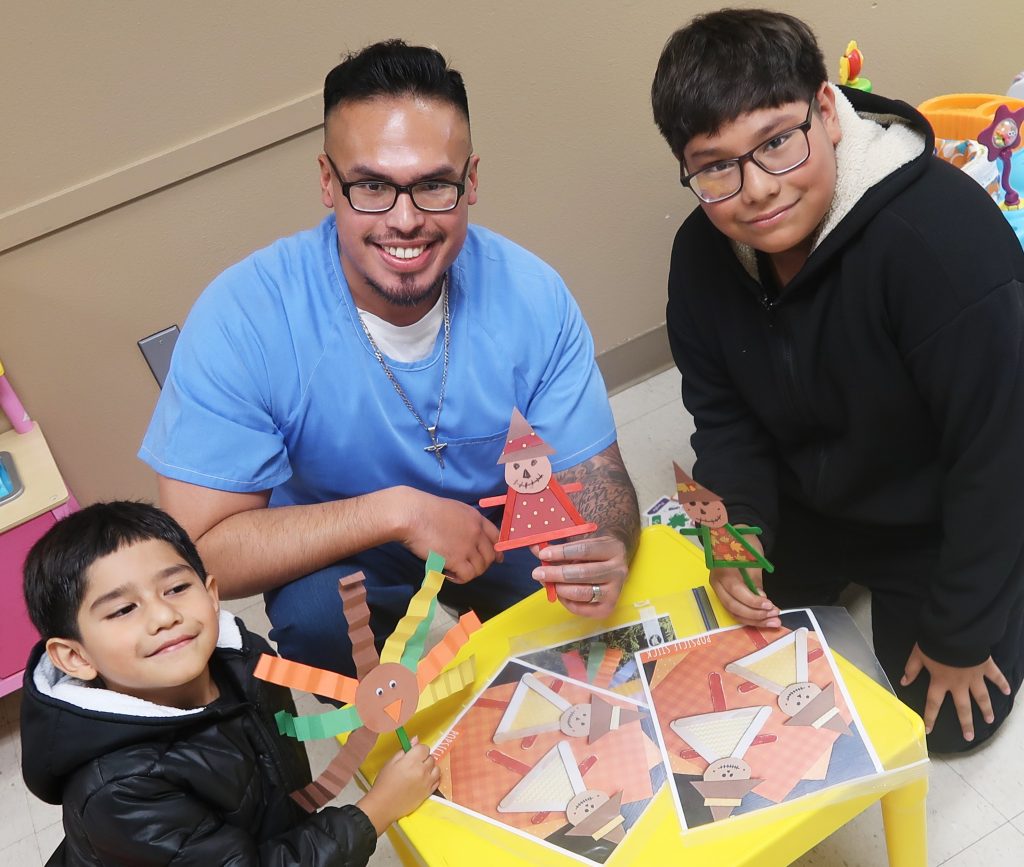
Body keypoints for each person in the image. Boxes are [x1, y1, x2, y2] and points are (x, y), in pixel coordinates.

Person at [139, 39, 639, 680]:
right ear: (328, 181)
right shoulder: (244, 317)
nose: (404, 221)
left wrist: (603, 544)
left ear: (472, 181)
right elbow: (199, 553)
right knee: (318, 614)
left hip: (503, 534)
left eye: (433, 185)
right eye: (372, 185)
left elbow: (600, 479)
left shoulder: (531, 293)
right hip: (356, 553)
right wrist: (398, 511)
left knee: (603, 634)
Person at [651, 9, 1024, 752]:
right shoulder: (700, 256)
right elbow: (723, 416)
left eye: (777, 142)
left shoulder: (940, 242)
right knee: (704, 638)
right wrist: (744, 532)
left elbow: (999, 450)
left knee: (948, 722)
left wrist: (961, 627)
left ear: (827, 110)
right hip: (814, 492)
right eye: (716, 166)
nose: (755, 188)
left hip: (936, 508)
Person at [20, 501, 439, 866]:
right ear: (75, 657)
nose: (164, 616)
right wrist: (375, 810)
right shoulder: (119, 791)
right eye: (124, 609)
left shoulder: (245, 658)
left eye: (177, 587)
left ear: (212, 594)